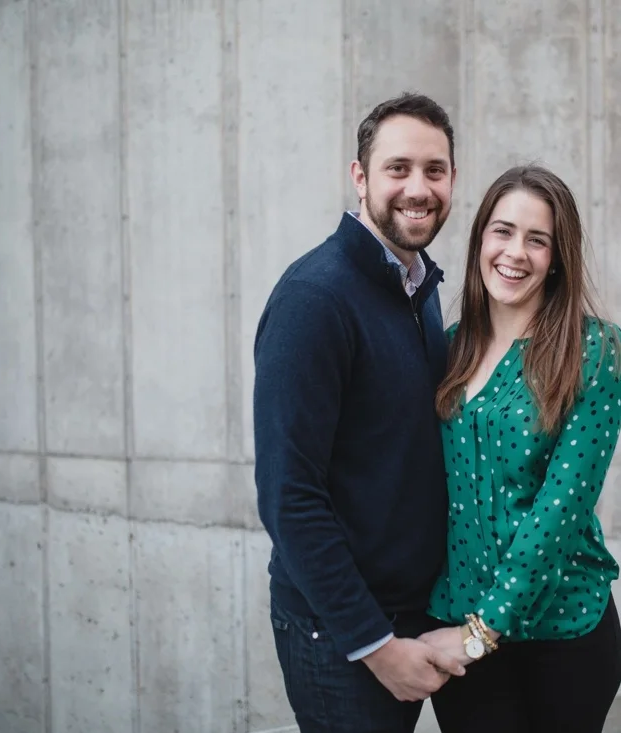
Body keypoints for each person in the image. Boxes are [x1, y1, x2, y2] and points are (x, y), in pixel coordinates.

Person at [252, 92, 466, 733]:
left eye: (435, 170)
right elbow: (289, 496)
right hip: (341, 635)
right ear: (360, 176)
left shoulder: (417, 286)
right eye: (398, 168)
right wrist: (374, 644)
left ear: (453, 179)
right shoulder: (314, 299)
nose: (418, 188)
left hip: (414, 615)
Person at [419, 165, 621, 733]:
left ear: (558, 256)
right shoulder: (447, 348)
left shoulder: (596, 350)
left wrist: (481, 632)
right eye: (502, 231)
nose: (516, 252)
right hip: (459, 625)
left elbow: (560, 511)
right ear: (480, 240)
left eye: (537, 239)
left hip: (562, 634)